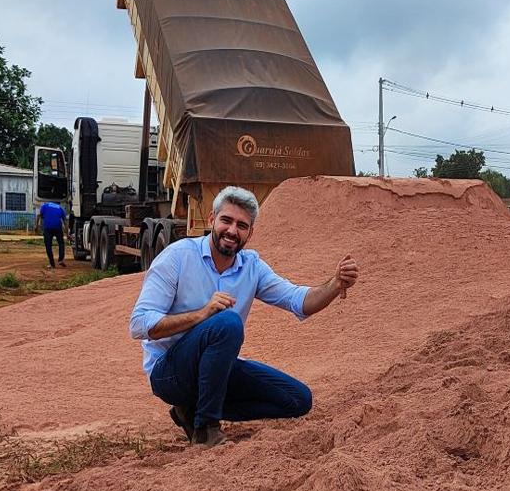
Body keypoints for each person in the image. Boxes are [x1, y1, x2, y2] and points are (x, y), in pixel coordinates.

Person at [130, 186, 359, 447]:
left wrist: (334, 284)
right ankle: (206, 429)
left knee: (297, 399)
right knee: (227, 322)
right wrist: (202, 314)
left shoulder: (251, 266)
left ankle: (191, 409)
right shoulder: (178, 257)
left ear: (250, 233)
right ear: (212, 220)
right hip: (170, 374)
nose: (232, 231)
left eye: (242, 225)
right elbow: (139, 324)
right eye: (226, 220)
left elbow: (298, 300)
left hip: (216, 370)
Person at [34, 201, 68, 269]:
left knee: (48, 245)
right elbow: (65, 222)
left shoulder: (45, 205)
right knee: (61, 243)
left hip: (48, 228)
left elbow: (39, 215)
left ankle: (52, 264)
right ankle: (61, 259)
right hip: (58, 228)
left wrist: (36, 226)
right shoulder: (61, 208)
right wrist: (67, 234)